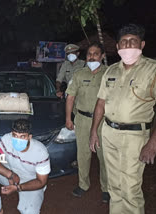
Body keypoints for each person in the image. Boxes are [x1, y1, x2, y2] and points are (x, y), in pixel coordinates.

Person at [90, 24, 156, 214]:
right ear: (118, 47)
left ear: (142, 44)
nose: (128, 45)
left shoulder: (155, 70)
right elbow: (100, 104)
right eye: (124, 42)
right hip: (108, 133)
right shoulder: (111, 70)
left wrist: (153, 143)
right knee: (114, 185)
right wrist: (94, 132)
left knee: (130, 188)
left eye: (133, 41)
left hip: (135, 137)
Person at [65, 42, 109, 203]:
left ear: (102, 56)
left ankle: (106, 188)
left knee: (105, 156)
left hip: (104, 121)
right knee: (83, 155)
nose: (91, 56)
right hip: (82, 120)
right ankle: (83, 184)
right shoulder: (79, 74)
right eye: (89, 54)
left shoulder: (109, 74)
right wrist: (68, 118)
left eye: (95, 53)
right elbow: (70, 97)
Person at [0, 119, 50, 214]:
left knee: (29, 211)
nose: (18, 140)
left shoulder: (41, 152)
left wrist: (18, 188)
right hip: (12, 175)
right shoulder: (7, 139)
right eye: (15, 136)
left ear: (29, 137)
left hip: (31, 181)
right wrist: (10, 174)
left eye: (22, 136)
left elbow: (41, 182)